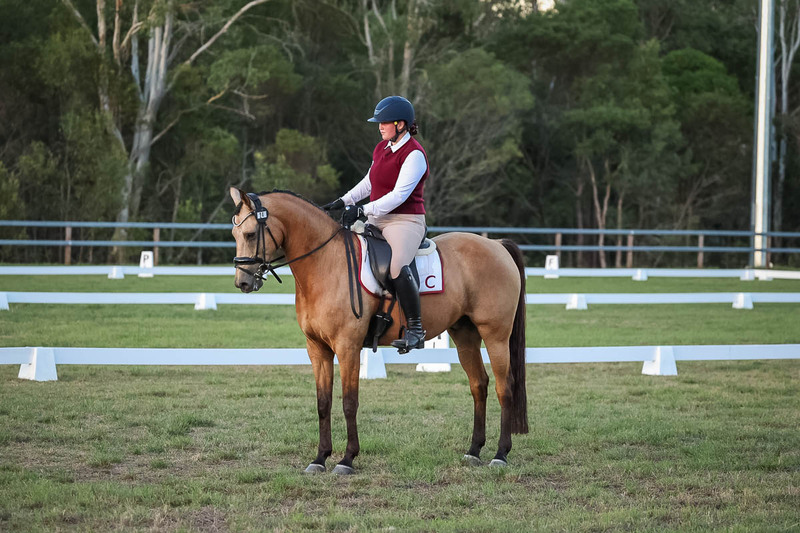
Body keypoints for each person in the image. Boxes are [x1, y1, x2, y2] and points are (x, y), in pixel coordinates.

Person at [323, 95, 429, 353]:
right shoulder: (381, 148)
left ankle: (415, 329)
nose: (379, 127)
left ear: (401, 124)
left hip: (405, 220)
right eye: (378, 123)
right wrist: (343, 200)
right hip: (378, 217)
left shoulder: (414, 155)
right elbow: (369, 183)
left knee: (396, 264)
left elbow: (398, 197)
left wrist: (361, 209)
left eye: (384, 123)